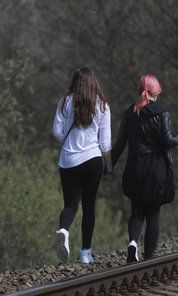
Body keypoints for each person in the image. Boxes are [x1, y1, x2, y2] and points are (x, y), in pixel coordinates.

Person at [112, 74, 178, 262]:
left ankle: (133, 242)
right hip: (157, 169)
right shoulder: (162, 113)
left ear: (140, 90)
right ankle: (148, 259)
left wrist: (109, 168)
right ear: (157, 92)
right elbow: (168, 141)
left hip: (135, 167)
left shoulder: (129, 113)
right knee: (153, 213)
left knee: (136, 210)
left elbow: (119, 145)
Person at [52, 67, 113, 264]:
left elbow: (57, 132)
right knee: (89, 206)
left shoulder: (65, 101)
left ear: (75, 82)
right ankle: (85, 253)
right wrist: (109, 168)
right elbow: (105, 143)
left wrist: (69, 142)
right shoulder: (103, 105)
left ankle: (63, 230)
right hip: (93, 160)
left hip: (69, 161)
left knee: (71, 204)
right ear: (93, 82)